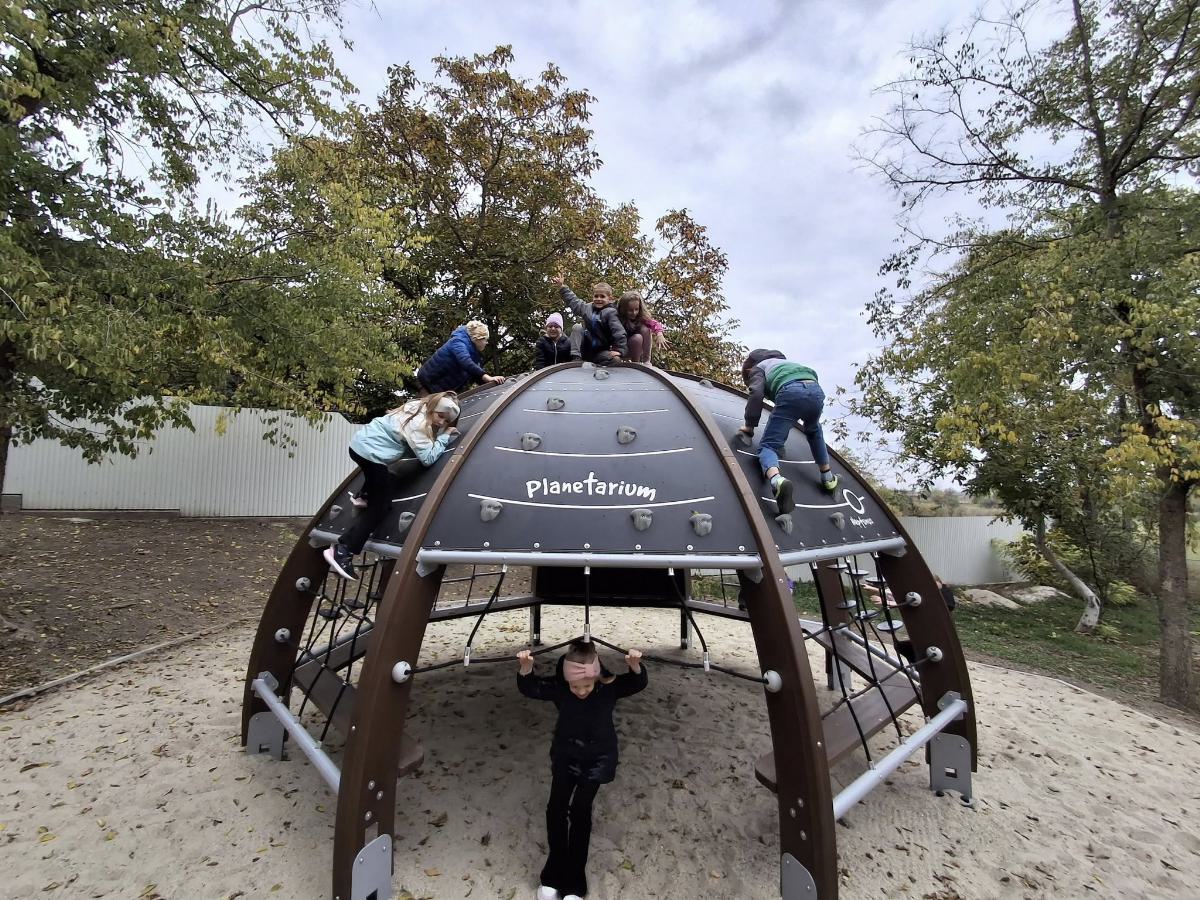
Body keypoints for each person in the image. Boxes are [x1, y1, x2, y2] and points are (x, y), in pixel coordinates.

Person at [517, 640, 647, 900]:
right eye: (575, 686)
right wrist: (525, 668)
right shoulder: (562, 689)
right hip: (566, 758)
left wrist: (635, 666)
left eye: (586, 685)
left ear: (596, 676)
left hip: (597, 761)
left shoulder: (608, 688)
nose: (581, 691)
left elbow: (636, 683)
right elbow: (532, 688)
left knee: (580, 811)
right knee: (556, 809)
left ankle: (575, 881)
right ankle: (553, 872)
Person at [323, 393, 460, 580]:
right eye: (440, 416)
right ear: (433, 408)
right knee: (381, 507)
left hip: (359, 446)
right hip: (372, 454)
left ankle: (364, 494)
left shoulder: (415, 407)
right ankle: (343, 549)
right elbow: (428, 458)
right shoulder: (419, 424)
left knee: (384, 478)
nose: (441, 422)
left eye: (446, 421)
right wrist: (444, 437)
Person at [738, 349, 838, 514]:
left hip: (790, 391)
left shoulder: (758, 368)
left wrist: (749, 426)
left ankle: (777, 481)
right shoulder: (788, 364)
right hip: (815, 390)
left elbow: (756, 393)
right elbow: (805, 391)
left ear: (750, 368)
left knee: (768, 446)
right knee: (814, 430)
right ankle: (828, 477)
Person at [551, 274, 627, 365]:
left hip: (600, 352)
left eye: (602, 296)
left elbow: (619, 332)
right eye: (596, 296)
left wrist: (620, 350)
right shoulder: (587, 308)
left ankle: (599, 367)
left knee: (615, 359)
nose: (598, 299)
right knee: (577, 327)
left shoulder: (611, 313)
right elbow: (574, 301)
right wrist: (562, 287)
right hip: (584, 350)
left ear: (610, 299)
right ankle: (576, 358)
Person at [415, 320, 505, 395]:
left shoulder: (473, 353)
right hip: (429, 384)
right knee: (428, 410)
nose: (486, 343)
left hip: (439, 389)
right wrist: (487, 377)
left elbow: (474, 373)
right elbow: (465, 362)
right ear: (478, 338)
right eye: (485, 339)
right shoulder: (458, 342)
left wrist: (492, 382)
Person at [615, 290, 670, 364]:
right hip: (621, 349)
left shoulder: (641, 317)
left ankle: (646, 361)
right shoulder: (617, 318)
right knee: (637, 338)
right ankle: (635, 363)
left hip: (636, 347)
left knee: (645, 330)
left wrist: (659, 333)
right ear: (623, 309)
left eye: (636, 309)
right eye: (630, 310)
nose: (634, 313)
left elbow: (654, 324)